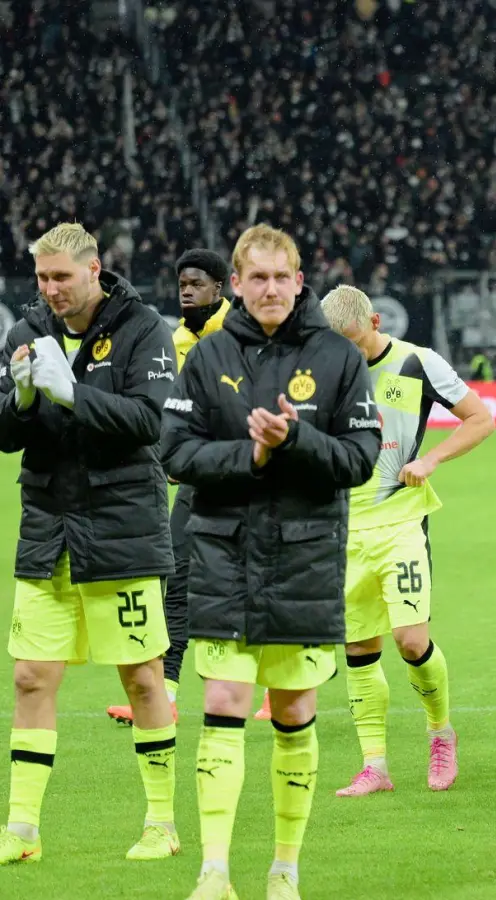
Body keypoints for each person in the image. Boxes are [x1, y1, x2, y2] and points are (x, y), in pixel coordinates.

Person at [162, 224, 379, 900]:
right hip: (223, 556)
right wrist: (250, 455)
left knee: (292, 710)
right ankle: (214, 872)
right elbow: (174, 452)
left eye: (281, 276)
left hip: (304, 560)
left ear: (299, 279)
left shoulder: (337, 358)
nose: (270, 289)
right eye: (256, 277)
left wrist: (295, 440)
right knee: (223, 703)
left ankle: (285, 869)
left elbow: (361, 458)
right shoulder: (208, 357)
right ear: (236, 285)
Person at [0, 222, 180, 865]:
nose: (50, 289)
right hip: (48, 530)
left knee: (142, 679)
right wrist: (22, 400)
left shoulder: (143, 329)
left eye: (62, 277)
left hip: (122, 529)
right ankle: (22, 830)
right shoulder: (26, 332)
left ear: (94, 269)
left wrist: (74, 396)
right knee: (30, 677)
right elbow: (4, 435)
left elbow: (150, 421)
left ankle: (162, 823)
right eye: (42, 277)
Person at [320, 285, 495, 797]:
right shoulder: (321, 370)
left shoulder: (417, 362)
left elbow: (481, 418)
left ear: (375, 322)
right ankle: (374, 766)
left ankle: (441, 734)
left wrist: (432, 458)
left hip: (400, 522)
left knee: (411, 642)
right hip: (344, 528)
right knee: (358, 648)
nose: (348, 358)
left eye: (355, 344)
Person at [106, 248, 231, 727]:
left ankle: (284, 685)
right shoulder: (175, 341)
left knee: (249, 583)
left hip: (245, 476)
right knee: (177, 579)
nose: (187, 292)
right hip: (198, 479)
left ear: (219, 288)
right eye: (182, 284)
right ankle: (167, 694)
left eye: (197, 283)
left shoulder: (242, 332)